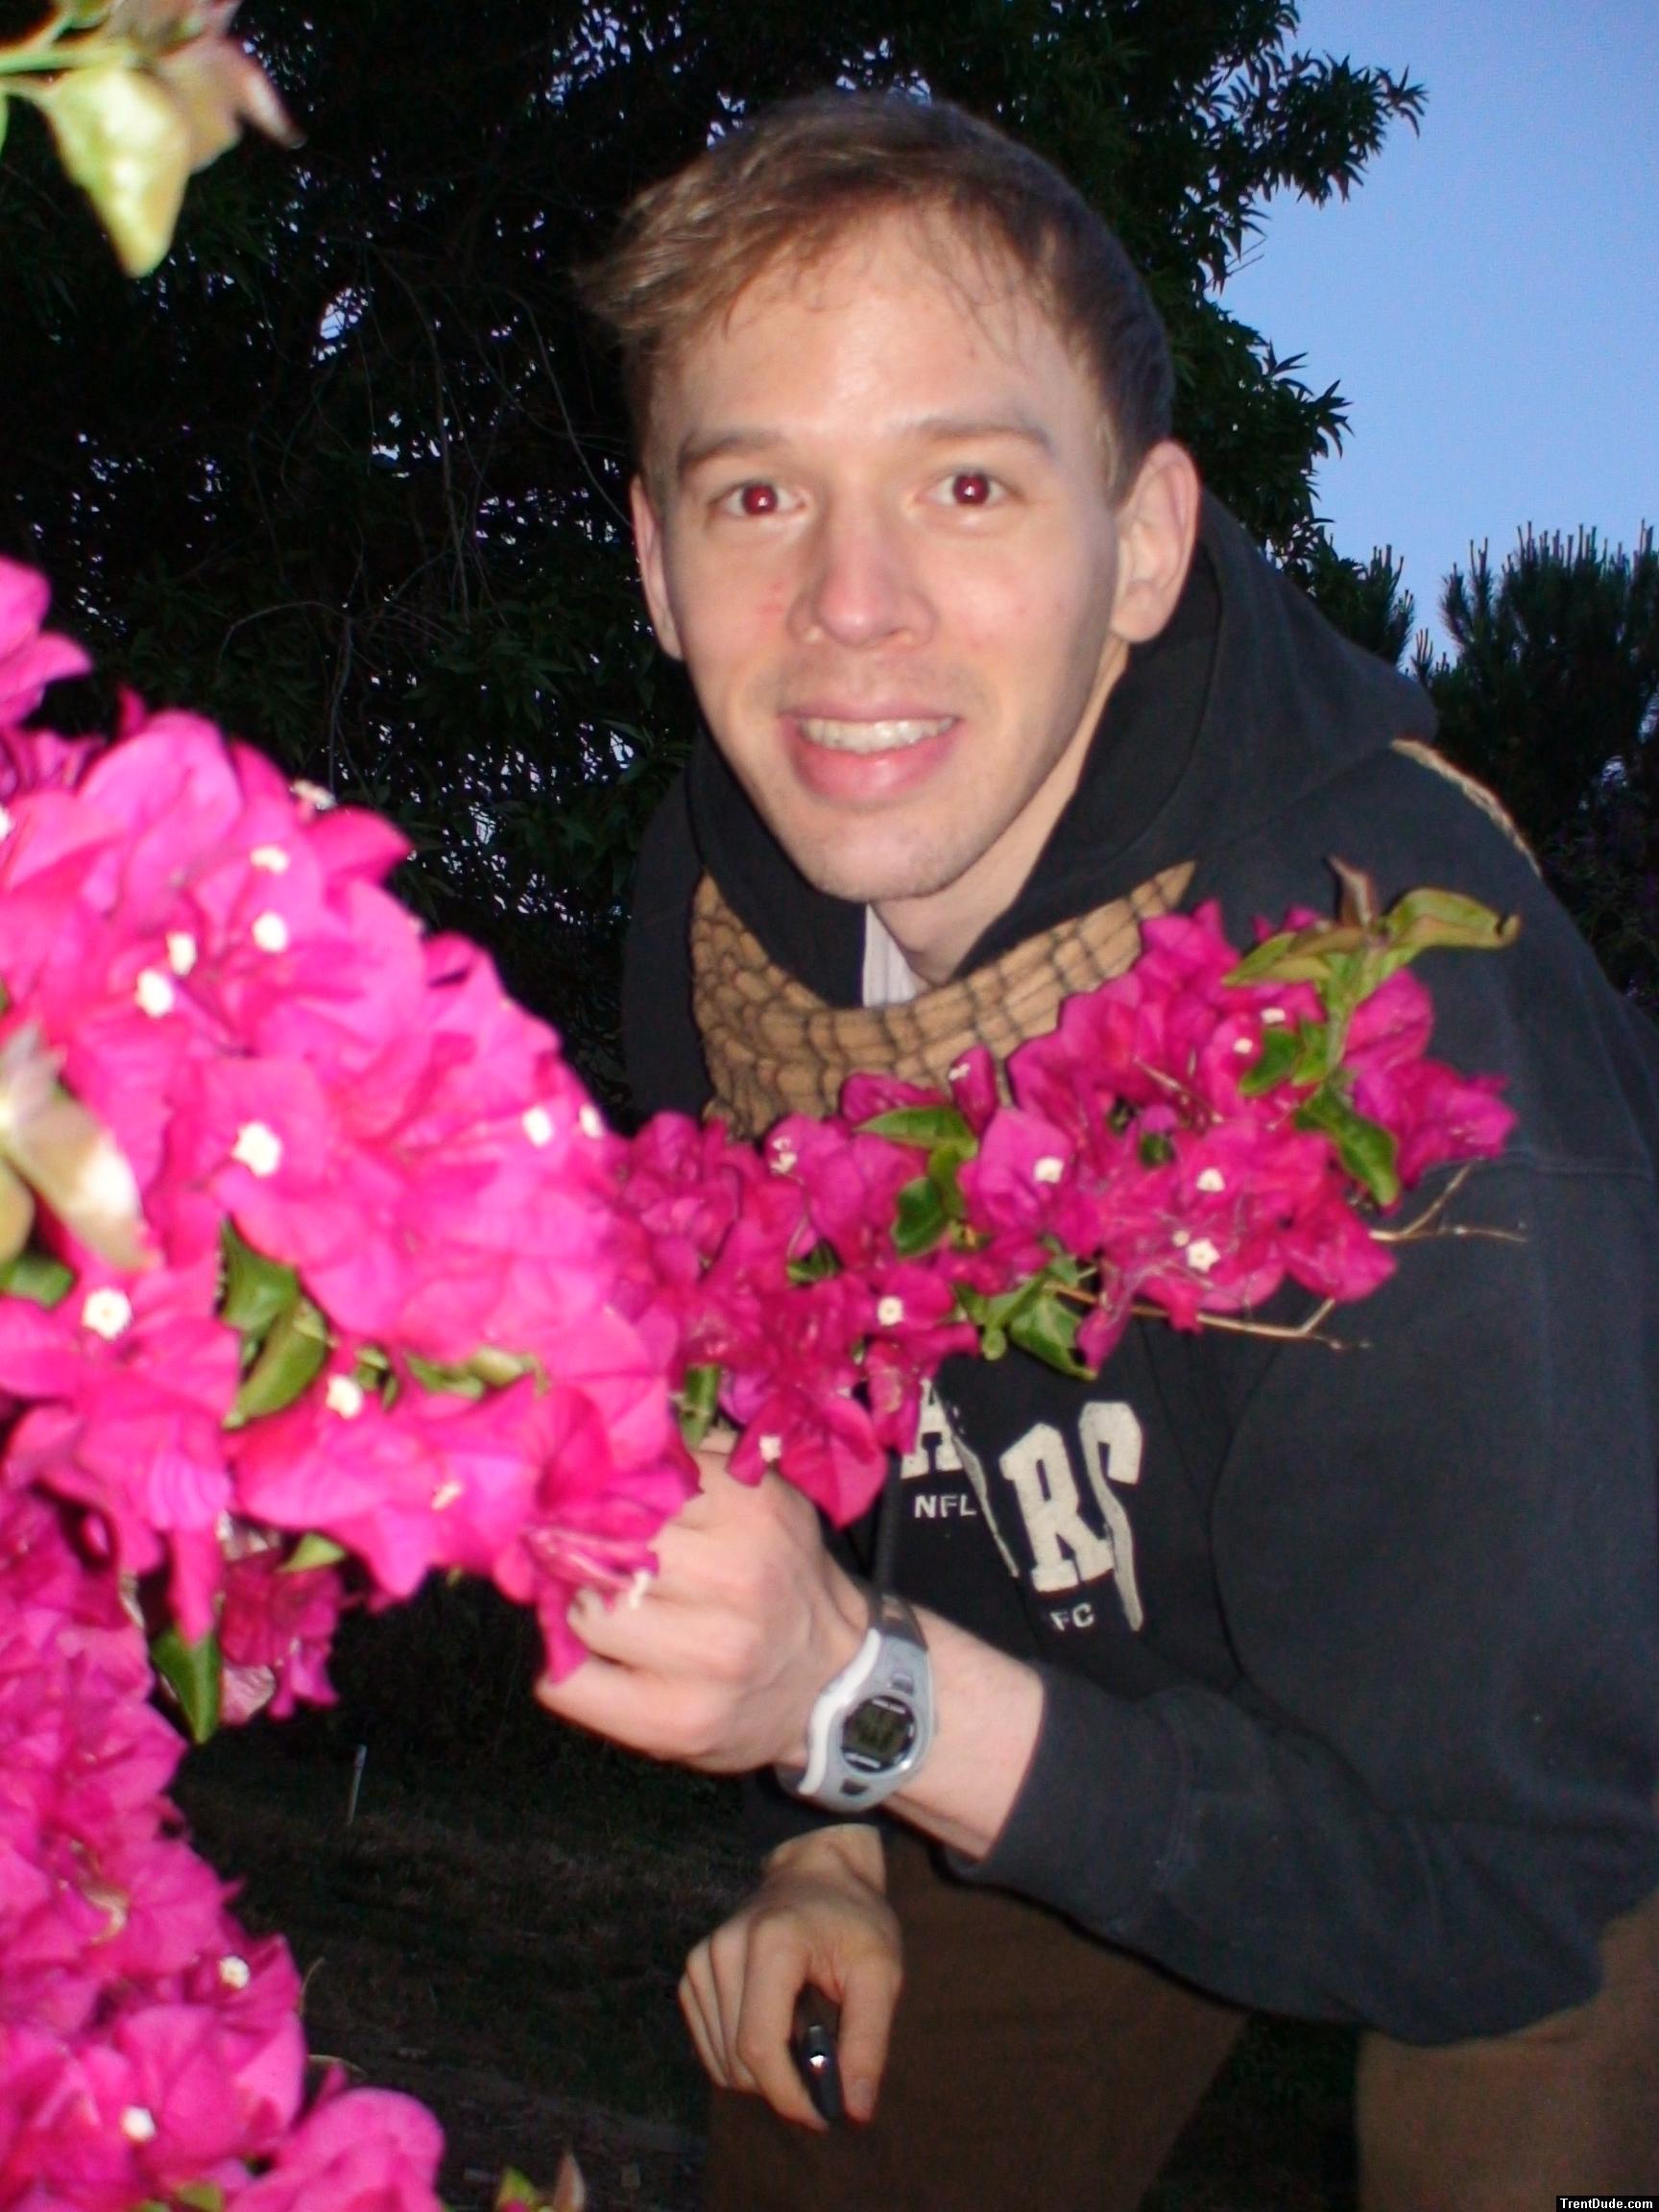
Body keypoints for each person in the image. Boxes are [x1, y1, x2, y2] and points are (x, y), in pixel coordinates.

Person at [540, 91, 1659, 2208]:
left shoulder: (1404, 1006)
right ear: (660, 567)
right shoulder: (718, 923)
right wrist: (825, 1832)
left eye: (967, 482)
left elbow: (1501, 1892)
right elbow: (777, 1410)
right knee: (824, 2142)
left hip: (1544, 1777)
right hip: (1075, 1691)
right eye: (760, 494)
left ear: (1143, 543)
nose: (851, 606)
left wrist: (857, 1702)